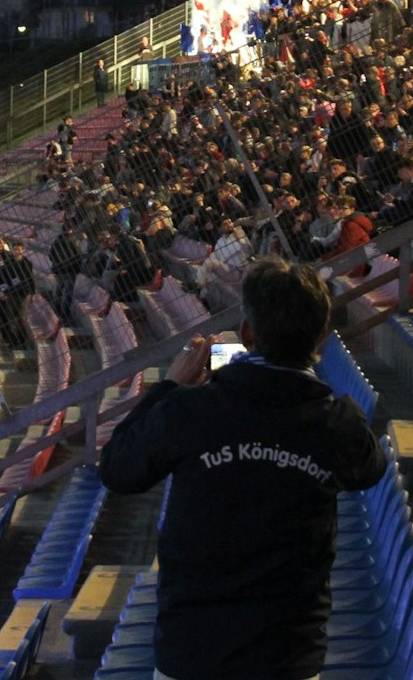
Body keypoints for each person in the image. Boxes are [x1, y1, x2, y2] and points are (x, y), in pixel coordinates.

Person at [100, 259, 386, 680]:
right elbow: (368, 469)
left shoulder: (191, 411)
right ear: (322, 337)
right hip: (288, 654)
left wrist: (170, 387)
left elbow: (117, 468)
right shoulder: (336, 423)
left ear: (248, 334)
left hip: (193, 648)